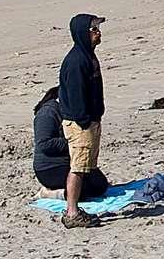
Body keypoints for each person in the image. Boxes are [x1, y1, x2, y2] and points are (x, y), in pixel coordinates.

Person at [52, 14, 109, 228]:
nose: (98, 33)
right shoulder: (77, 61)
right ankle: (72, 213)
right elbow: (76, 98)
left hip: (89, 122)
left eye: (98, 29)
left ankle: (74, 207)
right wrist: (85, 121)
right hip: (80, 124)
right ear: (83, 33)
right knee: (77, 167)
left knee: (85, 167)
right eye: (93, 29)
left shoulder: (87, 56)